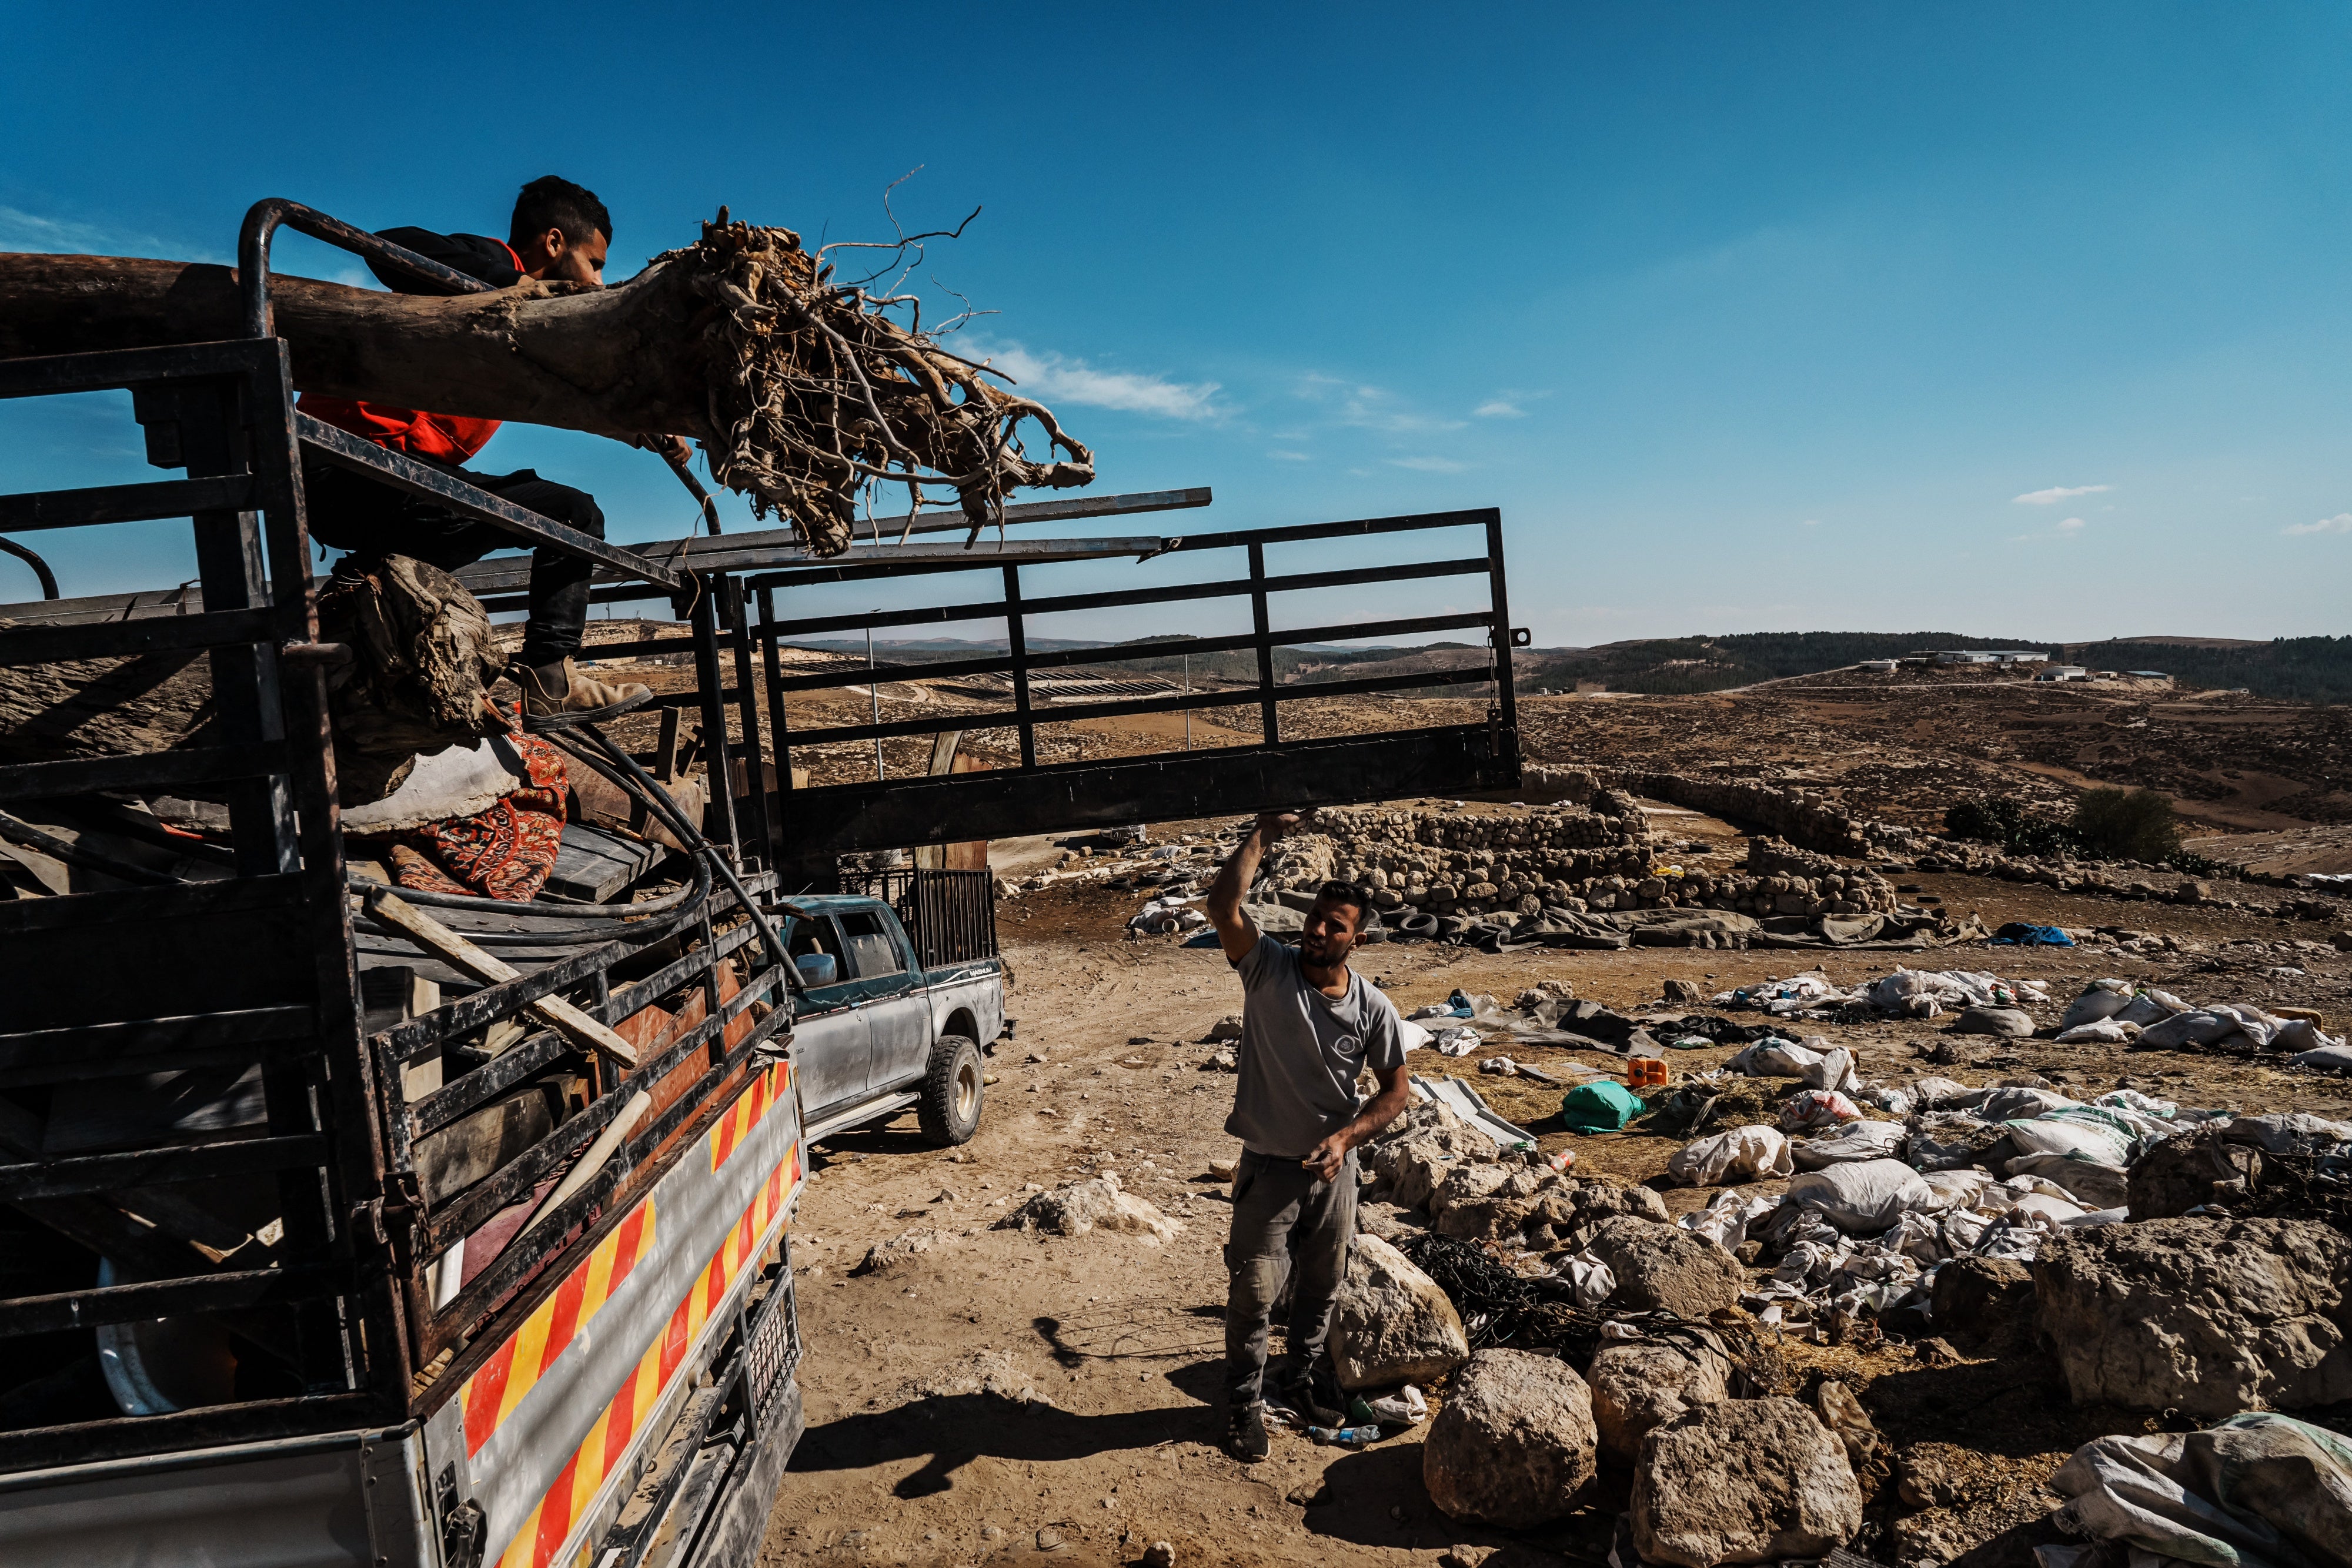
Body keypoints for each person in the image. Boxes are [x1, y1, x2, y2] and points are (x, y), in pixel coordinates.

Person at [299, 175, 687, 716]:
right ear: (554, 243)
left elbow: (560, 399)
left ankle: (366, 579)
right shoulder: (481, 268)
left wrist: (637, 429)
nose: (599, 284)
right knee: (573, 515)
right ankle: (551, 681)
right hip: (349, 471)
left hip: (395, 488)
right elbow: (389, 242)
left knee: (531, 507)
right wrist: (524, 289)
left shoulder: (519, 341)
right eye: (595, 264)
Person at [1203, 809, 1411, 1463]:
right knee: (1255, 1293)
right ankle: (1242, 1406)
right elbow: (1221, 904)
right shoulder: (1267, 968)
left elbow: (1396, 1091)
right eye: (1316, 917)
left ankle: (1297, 1384)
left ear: (1358, 941)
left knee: (1321, 1289)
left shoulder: (1373, 1008)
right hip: (1267, 1170)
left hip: (1333, 1175)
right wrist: (1265, 830)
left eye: (1335, 926)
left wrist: (1347, 1139)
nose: (1317, 930)